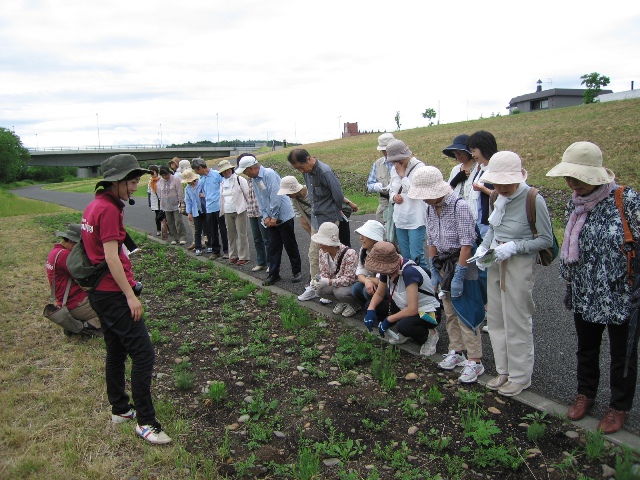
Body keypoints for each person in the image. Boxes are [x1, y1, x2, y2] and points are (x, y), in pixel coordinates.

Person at [546, 141, 640, 434]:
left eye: (578, 177)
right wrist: (569, 283)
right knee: (586, 348)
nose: (571, 182)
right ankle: (585, 394)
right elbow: (570, 247)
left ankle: (618, 406)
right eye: (568, 176)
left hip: (621, 294)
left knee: (622, 353)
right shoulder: (573, 202)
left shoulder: (627, 200)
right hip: (585, 291)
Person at [82, 154, 171, 444]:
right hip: (112, 293)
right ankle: (146, 422)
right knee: (144, 353)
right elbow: (110, 256)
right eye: (132, 182)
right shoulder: (108, 209)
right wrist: (130, 295)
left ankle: (120, 409)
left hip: (99, 293)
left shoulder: (96, 204)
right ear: (116, 181)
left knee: (116, 350)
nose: (135, 187)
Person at [475, 151, 553, 397]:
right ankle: (503, 371)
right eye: (496, 182)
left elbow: (545, 240)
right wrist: (484, 247)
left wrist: (514, 246)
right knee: (496, 318)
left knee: (517, 319)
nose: (501, 187)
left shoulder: (533, 199)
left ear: (518, 177)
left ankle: (520, 376)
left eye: (506, 182)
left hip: (519, 263)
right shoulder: (496, 195)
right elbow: (493, 227)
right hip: (495, 259)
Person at [408, 167, 486, 384]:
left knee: (466, 311)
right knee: (450, 310)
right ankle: (456, 350)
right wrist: (434, 271)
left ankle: (475, 359)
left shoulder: (459, 206)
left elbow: (466, 244)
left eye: (426, 195)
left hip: (462, 263)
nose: (423, 200)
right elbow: (431, 240)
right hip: (443, 263)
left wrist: (460, 275)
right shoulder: (431, 208)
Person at [364, 241, 441, 355]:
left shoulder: (409, 272)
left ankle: (430, 334)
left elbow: (412, 309)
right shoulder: (386, 271)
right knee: (372, 306)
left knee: (404, 326)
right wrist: (370, 310)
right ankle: (405, 331)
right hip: (403, 305)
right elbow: (380, 294)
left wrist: (389, 320)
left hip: (429, 313)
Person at [236, 155, 302, 286]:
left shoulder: (269, 174)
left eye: (245, 170)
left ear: (252, 168)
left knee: (289, 244)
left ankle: (296, 271)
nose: (245, 173)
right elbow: (260, 200)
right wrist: (265, 217)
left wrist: (274, 217)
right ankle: (274, 274)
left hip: (283, 215)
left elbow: (276, 196)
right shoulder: (254, 179)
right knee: (273, 246)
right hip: (270, 217)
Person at [287, 148, 348, 285]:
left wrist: (336, 213)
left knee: (331, 254)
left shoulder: (325, 171)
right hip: (316, 219)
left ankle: (329, 286)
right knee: (314, 255)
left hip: (329, 220)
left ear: (309, 159)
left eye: (301, 167)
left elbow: (338, 195)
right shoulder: (306, 172)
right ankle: (316, 286)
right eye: (298, 169)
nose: (301, 171)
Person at [45, 224, 102, 337]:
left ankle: (75, 324)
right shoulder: (65, 256)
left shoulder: (55, 253)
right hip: (77, 303)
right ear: (72, 242)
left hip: (66, 302)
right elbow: (85, 277)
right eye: (79, 245)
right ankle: (84, 327)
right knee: (111, 308)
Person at [386, 139, 428, 270]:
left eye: (399, 160)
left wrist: (403, 175)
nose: (396, 164)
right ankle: (411, 285)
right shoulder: (394, 169)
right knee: (405, 256)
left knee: (417, 256)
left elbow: (415, 192)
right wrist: (394, 196)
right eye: (393, 161)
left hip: (416, 218)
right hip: (400, 218)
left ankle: (427, 283)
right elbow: (391, 188)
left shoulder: (420, 168)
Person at [309, 222, 360, 317]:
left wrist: (328, 281)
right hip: (336, 283)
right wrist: (317, 281)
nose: (320, 245)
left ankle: (355, 304)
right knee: (319, 290)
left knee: (340, 292)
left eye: (322, 242)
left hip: (351, 286)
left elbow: (349, 280)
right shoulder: (322, 252)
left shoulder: (350, 254)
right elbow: (324, 273)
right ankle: (343, 302)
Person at [191, 158, 228, 259]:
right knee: (212, 230)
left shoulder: (216, 174)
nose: (196, 172)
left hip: (219, 206)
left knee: (223, 229)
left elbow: (224, 186)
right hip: (209, 207)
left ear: (200, 168)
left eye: (196, 170)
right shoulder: (201, 179)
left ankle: (226, 250)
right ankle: (216, 251)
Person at [218, 159, 251, 266]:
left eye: (228, 170)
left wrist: (248, 208)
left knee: (241, 233)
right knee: (230, 234)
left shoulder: (239, 179)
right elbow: (222, 197)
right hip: (227, 210)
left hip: (240, 209)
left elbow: (247, 193)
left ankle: (243, 256)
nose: (226, 172)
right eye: (224, 171)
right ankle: (233, 255)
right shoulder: (222, 182)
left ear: (231, 169)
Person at [240, 153, 270, 273]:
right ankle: (261, 262)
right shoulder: (249, 179)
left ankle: (270, 263)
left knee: (266, 239)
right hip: (251, 211)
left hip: (261, 212)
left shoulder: (261, 177)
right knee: (257, 239)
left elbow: (265, 194)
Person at [466, 131, 498, 239]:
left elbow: (506, 196)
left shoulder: (497, 169)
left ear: (484, 148)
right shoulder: (481, 170)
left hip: (490, 225)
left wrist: (484, 190)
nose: (472, 155)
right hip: (478, 224)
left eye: (474, 151)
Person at [351, 219, 387, 311]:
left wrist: (368, 279)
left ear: (374, 238)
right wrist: (367, 281)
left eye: (365, 235)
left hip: (389, 288)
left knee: (367, 291)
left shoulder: (385, 252)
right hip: (374, 282)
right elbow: (359, 273)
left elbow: (381, 281)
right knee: (356, 288)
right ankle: (368, 311)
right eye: (361, 235)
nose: (361, 238)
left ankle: (380, 312)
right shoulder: (363, 250)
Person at [366, 133, 395, 224]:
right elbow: (369, 185)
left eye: (387, 149)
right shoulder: (378, 163)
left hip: (402, 204)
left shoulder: (403, 162)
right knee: (383, 234)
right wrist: (375, 186)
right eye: (383, 150)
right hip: (384, 204)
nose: (385, 153)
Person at [443, 134, 480, 205]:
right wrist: (455, 181)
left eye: (459, 153)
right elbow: (447, 194)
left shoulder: (478, 167)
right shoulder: (456, 169)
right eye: (455, 153)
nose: (457, 155)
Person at [157, 165, 187, 245]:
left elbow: (180, 191)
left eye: (166, 174)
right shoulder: (160, 181)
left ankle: (182, 237)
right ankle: (174, 237)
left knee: (178, 221)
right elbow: (159, 193)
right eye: (163, 175)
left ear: (169, 173)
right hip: (166, 205)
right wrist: (161, 202)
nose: (164, 176)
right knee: (170, 222)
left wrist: (181, 201)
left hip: (176, 204)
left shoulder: (175, 179)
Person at [181, 169, 206, 256]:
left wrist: (204, 195)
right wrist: (189, 213)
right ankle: (198, 247)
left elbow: (208, 193)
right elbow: (188, 201)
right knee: (197, 230)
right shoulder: (187, 189)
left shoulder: (201, 183)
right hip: (195, 211)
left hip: (204, 209)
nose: (189, 183)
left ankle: (210, 245)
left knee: (208, 228)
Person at [147, 165, 164, 237]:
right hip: (155, 200)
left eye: (153, 172)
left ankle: (166, 229)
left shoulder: (161, 179)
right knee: (157, 216)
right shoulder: (150, 181)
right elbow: (149, 192)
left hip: (162, 200)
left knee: (164, 215)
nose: (152, 174)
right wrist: (149, 202)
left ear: (156, 171)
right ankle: (159, 229)